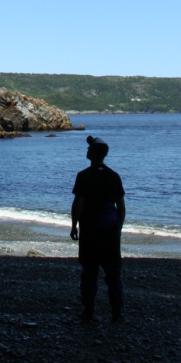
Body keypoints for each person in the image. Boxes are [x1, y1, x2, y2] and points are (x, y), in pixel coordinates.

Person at [70, 134, 125, 322]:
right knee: (113, 273)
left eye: (89, 148)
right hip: (110, 230)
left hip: (91, 230)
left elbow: (78, 203)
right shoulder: (114, 176)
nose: (86, 150)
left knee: (90, 272)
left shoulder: (83, 176)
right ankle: (116, 312)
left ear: (93, 153)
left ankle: (88, 310)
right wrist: (119, 226)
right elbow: (121, 206)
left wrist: (74, 225)